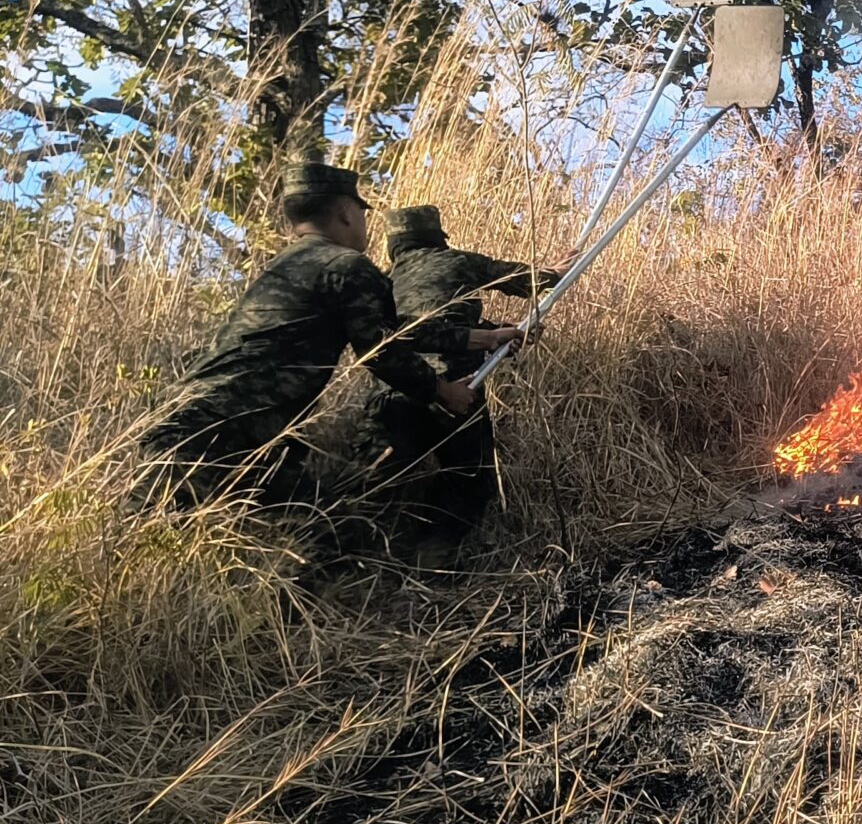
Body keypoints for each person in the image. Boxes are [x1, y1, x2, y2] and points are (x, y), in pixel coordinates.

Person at [135, 164, 524, 516]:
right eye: (361, 214)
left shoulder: (282, 268)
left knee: (172, 556)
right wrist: (442, 390)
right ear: (345, 212)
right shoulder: (347, 267)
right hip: (235, 436)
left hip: (183, 421)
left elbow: (401, 328)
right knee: (324, 551)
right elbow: (382, 349)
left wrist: (484, 336)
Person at [349, 204, 560, 552]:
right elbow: (524, 279)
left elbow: (414, 331)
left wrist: (495, 333)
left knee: (372, 487)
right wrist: (555, 271)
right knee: (468, 480)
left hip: (393, 393)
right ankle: (432, 558)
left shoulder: (382, 281)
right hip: (458, 389)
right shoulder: (456, 261)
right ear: (437, 238)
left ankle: (354, 568)